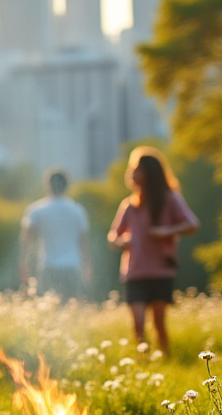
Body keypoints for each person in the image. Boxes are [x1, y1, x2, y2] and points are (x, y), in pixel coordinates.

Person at [108, 147, 199, 352]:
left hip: (160, 270)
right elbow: (113, 236)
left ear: (149, 172)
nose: (132, 174)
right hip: (134, 272)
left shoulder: (169, 199)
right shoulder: (129, 205)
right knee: (138, 326)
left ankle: (166, 359)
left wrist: (167, 230)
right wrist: (121, 242)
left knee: (159, 324)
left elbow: (192, 224)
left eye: (136, 169)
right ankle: (144, 361)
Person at [18, 168, 91, 300]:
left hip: (48, 265)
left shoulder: (36, 210)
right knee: (70, 306)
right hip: (72, 266)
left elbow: (26, 239)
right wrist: (87, 266)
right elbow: (84, 242)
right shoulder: (78, 211)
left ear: (47, 185)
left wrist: (23, 263)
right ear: (67, 185)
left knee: (48, 307)